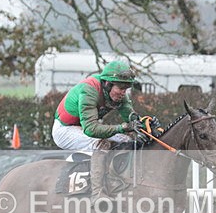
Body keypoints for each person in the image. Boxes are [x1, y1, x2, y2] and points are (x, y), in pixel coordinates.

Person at [51, 60, 150, 202]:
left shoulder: (119, 94)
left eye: (126, 88)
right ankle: (97, 194)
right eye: (120, 88)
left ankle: (119, 181)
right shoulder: (89, 90)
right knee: (101, 144)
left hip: (83, 127)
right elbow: (91, 129)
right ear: (107, 84)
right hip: (65, 130)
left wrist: (144, 124)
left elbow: (130, 116)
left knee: (127, 140)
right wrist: (122, 127)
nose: (123, 93)